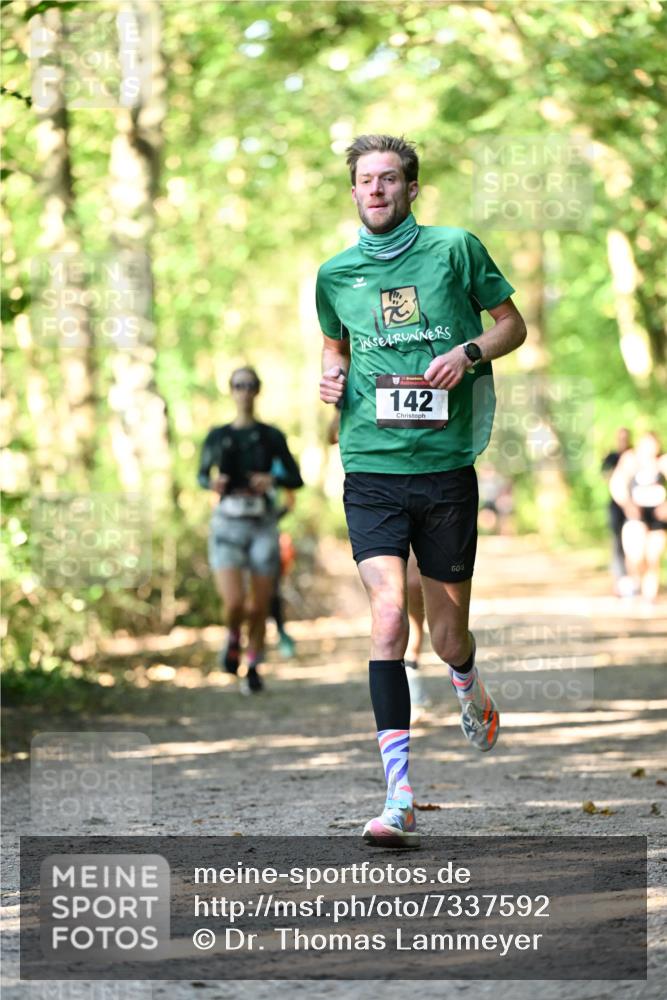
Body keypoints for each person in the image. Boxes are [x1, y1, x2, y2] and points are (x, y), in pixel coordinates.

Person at [317, 134, 526, 846]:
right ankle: (397, 793)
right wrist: (328, 377)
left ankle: (466, 679)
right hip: (370, 465)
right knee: (383, 616)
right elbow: (334, 345)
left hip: (443, 468)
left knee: (444, 635)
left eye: (388, 179)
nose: (374, 190)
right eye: (364, 181)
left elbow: (510, 326)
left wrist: (466, 352)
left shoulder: (453, 249)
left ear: (410, 188)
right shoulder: (334, 273)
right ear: (352, 192)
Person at [198, 366, 304, 692]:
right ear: (230, 390)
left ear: (258, 391)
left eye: (249, 385)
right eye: (238, 385)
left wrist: (271, 479)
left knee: (259, 606)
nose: (243, 391)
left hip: (262, 525)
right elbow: (201, 476)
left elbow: (296, 479)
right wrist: (212, 483)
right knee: (234, 603)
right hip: (227, 525)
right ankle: (232, 638)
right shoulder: (217, 436)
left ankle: (254, 663)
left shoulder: (271, 436)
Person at [610, 431, 667, 602]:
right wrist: (628, 505)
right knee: (636, 555)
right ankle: (634, 585)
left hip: (657, 516)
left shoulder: (663, 462)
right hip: (636, 515)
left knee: (653, 557)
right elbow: (616, 484)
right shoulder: (630, 460)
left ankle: (649, 599)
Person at [601, 428, 632, 594]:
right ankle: (620, 580)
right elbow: (604, 476)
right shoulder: (612, 457)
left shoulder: (634, 455)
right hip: (616, 506)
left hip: (636, 507)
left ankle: (633, 579)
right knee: (617, 542)